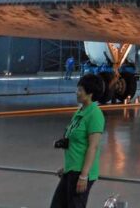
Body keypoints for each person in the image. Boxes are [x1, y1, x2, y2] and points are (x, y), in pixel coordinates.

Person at [51, 74, 106, 208]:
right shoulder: (79, 112)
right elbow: (75, 141)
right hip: (71, 170)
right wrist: (67, 167)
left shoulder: (95, 114)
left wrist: (84, 176)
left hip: (81, 173)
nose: (77, 93)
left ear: (90, 94)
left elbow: (93, 147)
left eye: (80, 90)